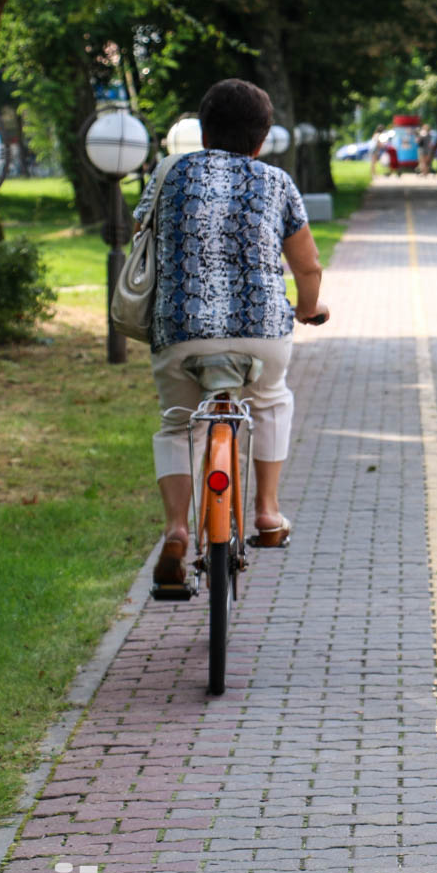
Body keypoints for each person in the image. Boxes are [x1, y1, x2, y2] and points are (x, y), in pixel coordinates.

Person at [137, 78, 330, 587]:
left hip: (181, 326)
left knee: (179, 422)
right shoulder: (276, 183)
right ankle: (267, 513)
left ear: (202, 133)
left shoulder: (168, 174)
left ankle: (177, 529)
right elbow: (307, 268)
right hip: (259, 330)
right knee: (270, 401)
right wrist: (309, 309)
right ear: (261, 139)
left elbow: (142, 236)